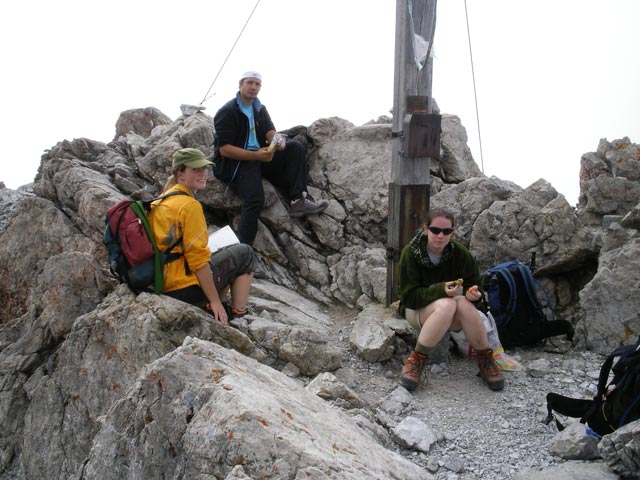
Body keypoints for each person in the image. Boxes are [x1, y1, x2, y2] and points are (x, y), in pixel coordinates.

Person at [213, 70, 328, 245]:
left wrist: (278, 143)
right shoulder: (227, 112)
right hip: (236, 163)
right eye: (249, 83)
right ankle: (244, 250)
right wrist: (256, 155)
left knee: (295, 147)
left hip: (258, 156)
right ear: (240, 84)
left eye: (257, 84)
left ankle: (298, 200)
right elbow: (225, 150)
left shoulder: (259, 109)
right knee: (255, 199)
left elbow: (270, 132)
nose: (253, 87)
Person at [397, 207, 505, 392]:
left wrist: (474, 295)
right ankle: (416, 361)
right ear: (425, 229)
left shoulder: (460, 254)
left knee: (462, 302)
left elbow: (475, 286)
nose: (440, 236)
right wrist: (441, 291)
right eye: (435, 230)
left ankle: (485, 359)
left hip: (451, 313)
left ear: (452, 233)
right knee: (447, 304)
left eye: (446, 231)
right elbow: (409, 297)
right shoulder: (411, 253)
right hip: (417, 310)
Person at [148, 147, 257, 325]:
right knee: (245, 253)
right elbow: (198, 260)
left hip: (164, 279)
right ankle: (236, 314)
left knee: (221, 252)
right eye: (195, 169)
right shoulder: (189, 206)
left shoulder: (161, 200)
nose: (203, 173)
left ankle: (216, 306)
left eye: (204, 168)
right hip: (182, 287)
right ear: (180, 173)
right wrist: (214, 300)